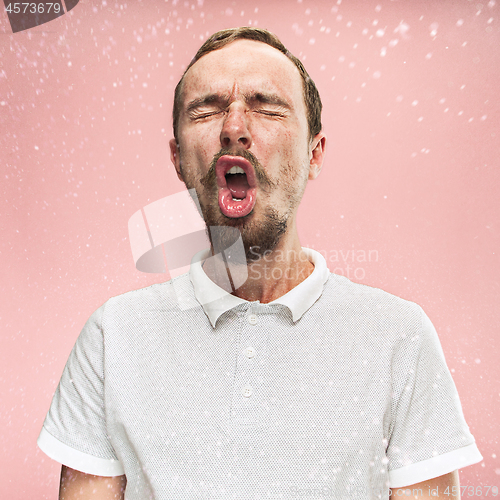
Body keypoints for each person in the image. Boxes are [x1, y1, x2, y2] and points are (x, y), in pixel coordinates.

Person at [38, 27, 482, 500]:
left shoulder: (399, 338)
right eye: (206, 110)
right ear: (178, 159)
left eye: (267, 106)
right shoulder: (114, 338)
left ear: (315, 153)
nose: (233, 127)